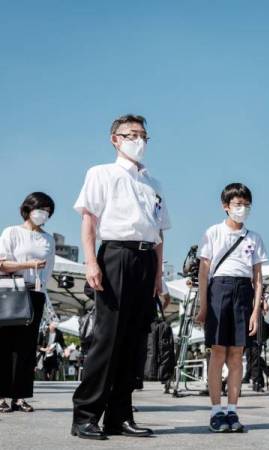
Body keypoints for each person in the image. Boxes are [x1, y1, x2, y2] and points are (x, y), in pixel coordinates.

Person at [71, 114, 171, 440]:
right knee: (108, 338)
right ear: (116, 139)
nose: (139, 141)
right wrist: (90, 263)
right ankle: (86, 415)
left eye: (144, 135)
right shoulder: (101, 173)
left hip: (145, 259)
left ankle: (120, 415)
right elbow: (89, 220)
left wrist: (159, 276)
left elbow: (158, 234)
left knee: (134, 340)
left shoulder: (153, 183)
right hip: (115, 255)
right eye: (132, 135)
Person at [196, 183, 268, 433]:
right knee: (218, 352)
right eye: (238, 205)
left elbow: (258, 277)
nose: (243, 209)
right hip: (218, 289)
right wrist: (203, 306)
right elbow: (204, 272)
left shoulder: (254, 237)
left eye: (246, 205)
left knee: (237, 354)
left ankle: (232, 410)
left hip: (243, 291)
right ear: (225, 206)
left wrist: (256, 311)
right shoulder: (213, 232)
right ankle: (216, 411)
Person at [0, 192, 56, 413]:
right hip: (10, 290)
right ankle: (2, 396)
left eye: (48, 211)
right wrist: (29, 264)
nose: (44, 214)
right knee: (4, 344)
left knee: (26, 347)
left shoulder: (48, 239)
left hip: (34, 293)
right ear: (28, 209)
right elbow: (2, 263)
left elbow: (48, 270)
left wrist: (39, 280)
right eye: (40, 209)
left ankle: (20, 396)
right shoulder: (12, 232)